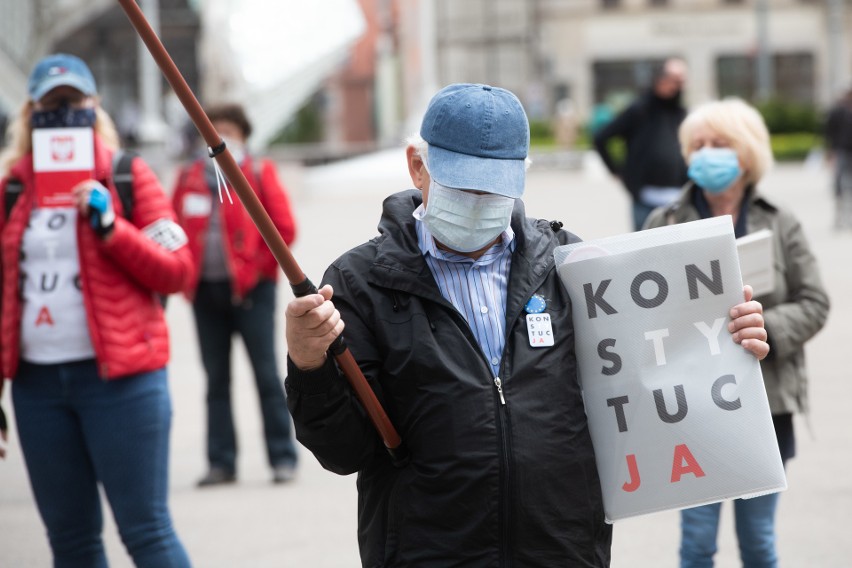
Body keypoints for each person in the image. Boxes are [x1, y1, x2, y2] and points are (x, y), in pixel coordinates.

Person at [283, 83, 771, 567]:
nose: (479, 201)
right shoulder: (359, 282)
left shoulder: (573, 267)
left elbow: (645, 379)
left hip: (561, 547)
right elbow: (343, 450)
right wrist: (310, 365)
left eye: (495, 187)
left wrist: (723, 337)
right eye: (462, 185)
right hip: (426, 550)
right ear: (418, 166)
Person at [0, 53, 193, 567]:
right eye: (51, 103)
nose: (62, 112)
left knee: (146, 531)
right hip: (38, 390)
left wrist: (112, 229)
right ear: (31, 112)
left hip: (123, 382)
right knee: (71, 542)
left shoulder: (128, 174)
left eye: (74, 101)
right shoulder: (13, 188)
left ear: (94, 107)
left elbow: (177, 271)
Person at [644, 98, 830, 568]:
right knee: (696, 544)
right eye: (698, 145)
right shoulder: (662, 223)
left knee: (759, 544)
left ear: (746, 153)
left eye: (720, 144)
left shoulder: (780, 219)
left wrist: (766, 325)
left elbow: (815, 301)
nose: (706, 153)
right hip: (692, 413)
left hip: (767, 407)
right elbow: (637, 318)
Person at [171, 103, 299, 486]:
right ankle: (221, 462)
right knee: (216, 380)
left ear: (243, 135)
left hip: (252, 293)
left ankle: (282, 457)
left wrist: (257, 269)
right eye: (212, 128)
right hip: (205, 293)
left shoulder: (258, 172)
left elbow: (285, 229)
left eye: (228, 129)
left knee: (265, 374)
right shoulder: (189, 176)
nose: (220, 135)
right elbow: (171, 225)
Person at [594, 57, 689, 230]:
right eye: (673, 79)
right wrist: (616, 170)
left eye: (681, 81)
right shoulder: (640, 110)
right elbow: (601, 137)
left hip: (679, 198)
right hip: (645, 198)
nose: (676, 86)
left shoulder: (681, 114)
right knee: (645, 252)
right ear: (660, 79)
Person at [824, 88, 852, 230]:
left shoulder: (840, 111)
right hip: (841, 150)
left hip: (843, 150)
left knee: (845, 184)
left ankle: (845, 218)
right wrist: (830, 150)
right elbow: (829, 131)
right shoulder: (839, 112)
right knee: (840, 184)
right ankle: (840, 218)